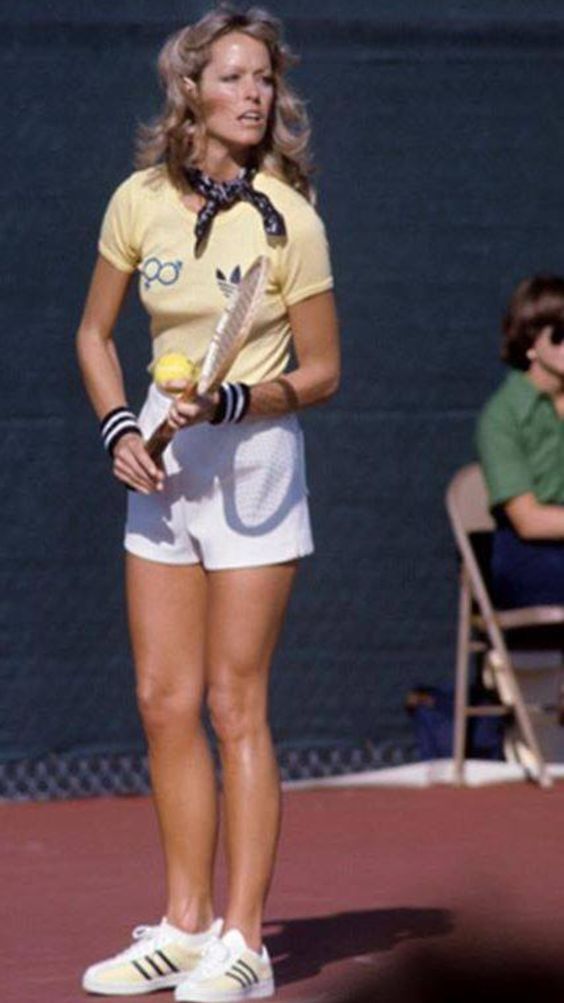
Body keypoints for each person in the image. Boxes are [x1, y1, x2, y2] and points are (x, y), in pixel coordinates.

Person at [76, 6, 340, 1001]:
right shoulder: (136, 201)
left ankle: (245, 943)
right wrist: (120, 427)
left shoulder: (291, 220)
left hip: (257, 454)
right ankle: (183, 927)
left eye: (264, 79)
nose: (254, 94)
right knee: (163, 701)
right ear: (189, 88)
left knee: (237, 706)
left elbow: (323, 371)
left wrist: (238, 397)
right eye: (232, 76)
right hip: (163, 452)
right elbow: (96, 335)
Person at [476, 275, 564, 610]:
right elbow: (528, 520)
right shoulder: (502, 415)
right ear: (530, 340)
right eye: (559, 334)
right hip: (529, 557)